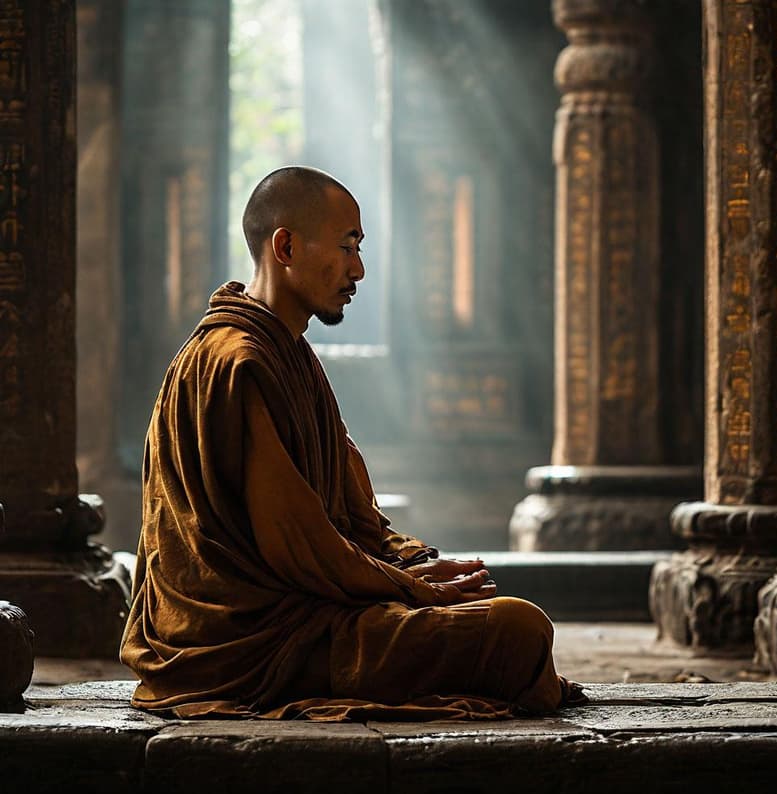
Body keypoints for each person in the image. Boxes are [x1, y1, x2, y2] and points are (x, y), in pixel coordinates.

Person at [120, 166, 583, 720]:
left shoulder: (291, 356)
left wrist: (409, 564)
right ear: (285, 245)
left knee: (494, 616)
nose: (357, 270)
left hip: (302, 614)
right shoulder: (234, 362)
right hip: (245, 645)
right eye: (346, 247)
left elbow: (354, 515)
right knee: (518, 629)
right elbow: (299, 542)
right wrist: (410, 591)